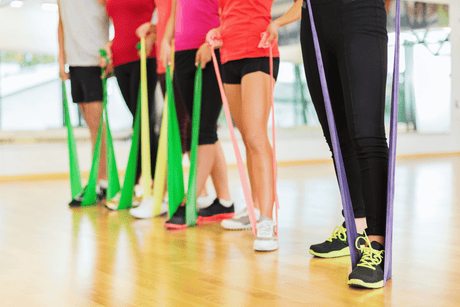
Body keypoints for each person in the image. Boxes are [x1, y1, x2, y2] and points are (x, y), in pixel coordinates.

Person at [298, 0, 390, 288]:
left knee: (367, 133)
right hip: (313, 16)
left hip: (360, 10)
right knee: (337, 136)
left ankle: (376, 246)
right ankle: (357, 228)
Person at [207, 0, 281, 251]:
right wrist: (217, 31)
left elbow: (303, 5)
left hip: (258, 50)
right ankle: (254, 210)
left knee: (257, 136)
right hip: (229, 54)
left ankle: (267, 220)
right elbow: (229, 13)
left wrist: (278, 22)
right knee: (248, 138)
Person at [159, 0, 234, 229]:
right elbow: (176, 11)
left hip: (210, 49)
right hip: (182, 51)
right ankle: (224, 201)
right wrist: (165, 41)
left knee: (203, 130)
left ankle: (188, 202)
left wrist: (213, 40)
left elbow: (230, 12)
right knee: (204, 130)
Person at [102, 0, 159, 210]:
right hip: (119, 58)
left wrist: (153, 31)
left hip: (143, 55)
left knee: (142, 120)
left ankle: (133, 184)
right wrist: (109, 45)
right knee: (140, 120)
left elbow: (167, 13)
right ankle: (155, 184)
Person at [58, 0, 109, 207]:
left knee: (96, 124)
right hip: (75, 61)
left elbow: (115, 13)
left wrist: (110, 50)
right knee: (91, 124)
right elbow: (61, 23)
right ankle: (100, 181)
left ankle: (101, 182)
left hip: (94, 60)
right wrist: (61, 59)